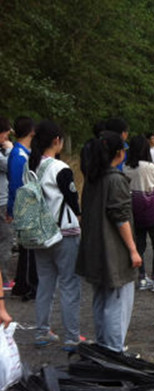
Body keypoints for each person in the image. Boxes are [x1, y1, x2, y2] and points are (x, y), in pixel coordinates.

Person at [76, 130, 142, 354]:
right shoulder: (114, 179)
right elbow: (121, 217)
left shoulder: (93, 178)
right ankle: (114, 351)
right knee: (117, 302)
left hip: (94, 248)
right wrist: (133, 250)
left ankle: (104, 347)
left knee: (101, 299)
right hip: (113, 252)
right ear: (117, 153)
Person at [28, 120, 84, 350]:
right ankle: (72, 336)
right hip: (64, 232)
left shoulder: (29, 168)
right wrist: (80, 215)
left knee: (45, 284)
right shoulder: (59, 168)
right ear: (56, 141)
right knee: (70, 285)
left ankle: (42, 331)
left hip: (39, 233)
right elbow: (71, 199)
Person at [123, 134, 154, 293]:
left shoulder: (126, 168)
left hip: (135, 209)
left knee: (139, 244)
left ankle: (141, 277)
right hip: (152, 209)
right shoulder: (150, 167)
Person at [8, 116, 38, 300]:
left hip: (21, 206)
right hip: (24, 207)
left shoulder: (20, 152)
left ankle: (21, 283)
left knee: (27, 248)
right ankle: (27, 285)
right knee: (28, 249)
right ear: (31, 132)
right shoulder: (19, 156)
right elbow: (17, 186)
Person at [0, 118, 14, 291]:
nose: (6, 138)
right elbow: (9, 166)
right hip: (1, 201)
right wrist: (10, 151)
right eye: (5, 134)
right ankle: (4, 278)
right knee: (5, 239)